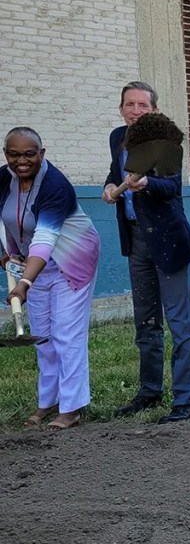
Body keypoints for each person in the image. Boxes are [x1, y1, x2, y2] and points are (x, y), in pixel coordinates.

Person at [101, 83, 190, 424]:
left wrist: (147, 184)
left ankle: (185, 401)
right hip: (136, 240)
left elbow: (171, 187)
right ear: (121, 108)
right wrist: (109, 186)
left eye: (143, 104)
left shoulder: (166, 140)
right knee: (146, 321)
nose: (136, 110)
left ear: (154, 110)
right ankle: (149, 392)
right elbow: (115, 175)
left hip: (168, 240)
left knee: (179, 321)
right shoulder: (118, 137)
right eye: (130, 104)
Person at [2, 127, 101, 429]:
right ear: (6, 154)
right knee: (43, 336)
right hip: (31, 265)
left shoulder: (56, 185)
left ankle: (72, 408)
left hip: (72, 260)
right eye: (14, 154)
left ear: (41, 154)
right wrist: (5, 257)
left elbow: (45, 237)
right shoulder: (2, 180)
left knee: (66, 336)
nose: (22, 161)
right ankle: (47, 402)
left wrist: (24, 284)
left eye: (29, 154)